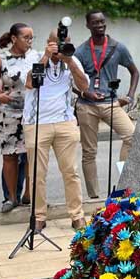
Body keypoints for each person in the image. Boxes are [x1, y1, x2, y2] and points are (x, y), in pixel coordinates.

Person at [23, 30, 88, 232]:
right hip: (37, 122)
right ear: (48, 43)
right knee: (37, 174)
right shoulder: (34, 57)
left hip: (65, 122)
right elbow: (30, 82)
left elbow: (84, 86)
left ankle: (77, 216)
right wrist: (45, 56)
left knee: (71, 172)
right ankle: (39, 216)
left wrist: (70, 62)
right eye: (56, 43)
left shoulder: (72, 60)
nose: (60, 47)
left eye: (65, 43)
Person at [74, 11, 139, 198]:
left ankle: (125, 186)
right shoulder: (80, 51)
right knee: (89, 152)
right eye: (95, 22)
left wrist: (130, 96)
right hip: (87, 106)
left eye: (102, 21)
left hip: (111, 103)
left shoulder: (118, 47)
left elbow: (134, 72)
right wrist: (85, 92)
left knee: (132, 136)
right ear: (87, 25)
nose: (99, 25)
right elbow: (72, 83)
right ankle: (94, 197)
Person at [0, 24, 38, 213]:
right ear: (14, 38)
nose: (30, 41)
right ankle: (11, 197)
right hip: (8, 113)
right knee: (10, 156)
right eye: (26, 37)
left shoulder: (36, 56)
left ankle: (29, 195)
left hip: (31, 112)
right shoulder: (0, 60)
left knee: (32, 155)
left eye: (32, 38)